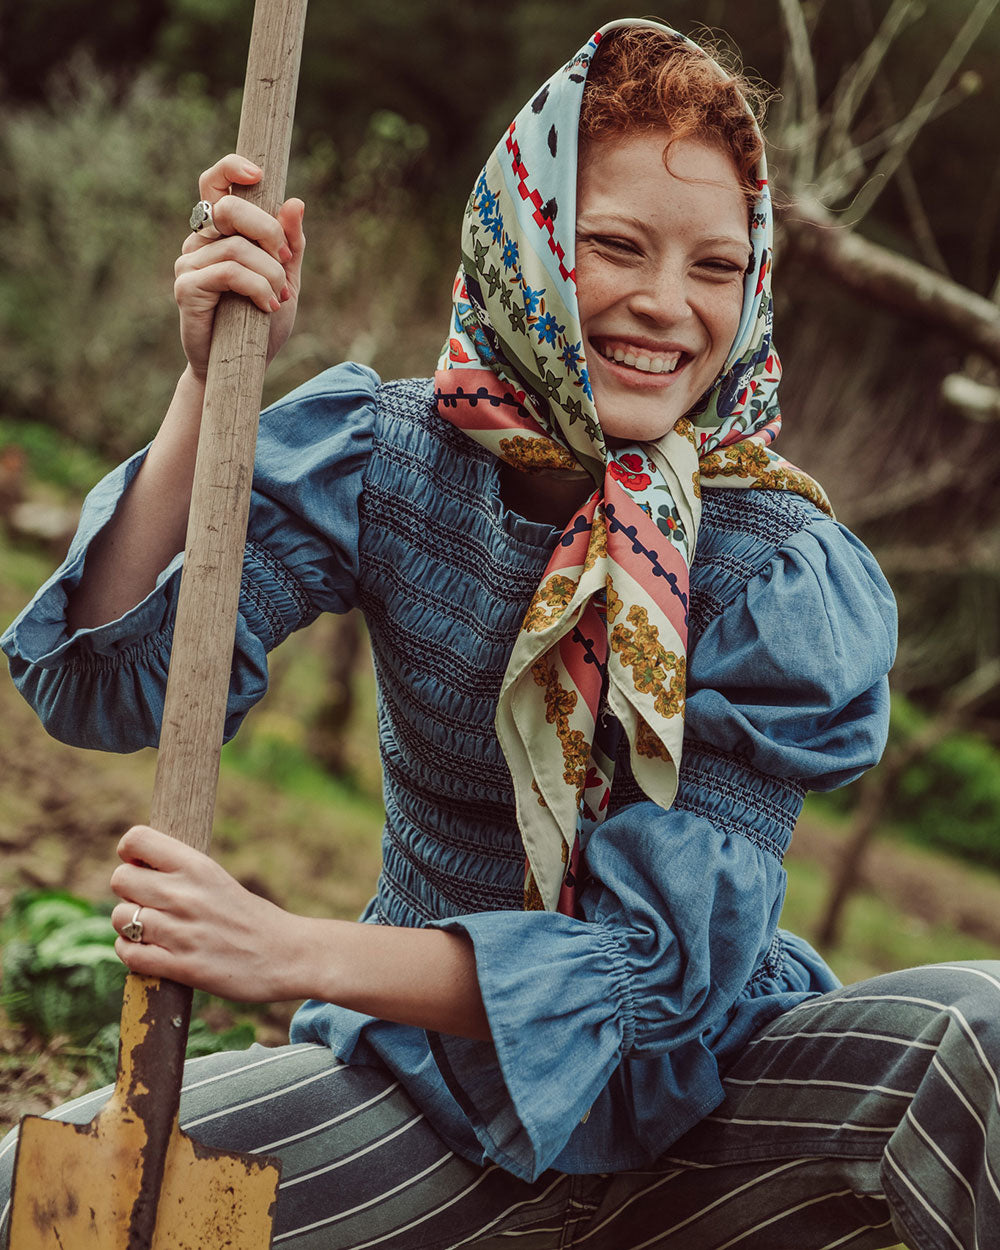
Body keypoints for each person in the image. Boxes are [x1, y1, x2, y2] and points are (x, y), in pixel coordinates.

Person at [0, 17, 997, 1250]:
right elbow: (104, 682)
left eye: (715, 266)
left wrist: (288, 948)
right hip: (433, 1098)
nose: (665, 305)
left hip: (723, 1100)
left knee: (981, 1031)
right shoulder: (393, 459)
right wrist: (210, 381)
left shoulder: (774, 564)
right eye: (616, 245)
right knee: (36, 1199)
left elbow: (658, 974)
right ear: (526, 240)